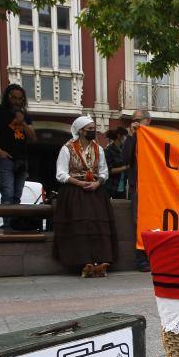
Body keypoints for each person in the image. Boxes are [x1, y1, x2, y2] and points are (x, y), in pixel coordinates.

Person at [53, 116, 117, 277]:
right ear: (80, 131)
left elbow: (104, 172)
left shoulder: (98, 149)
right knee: (79, 225)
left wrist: (98, 183)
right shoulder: (67, 148)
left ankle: (101, 261)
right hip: (75, 191)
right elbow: (60, 174)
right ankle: (83, 261)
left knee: (98, 225)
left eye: (93, 128)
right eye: (89, 129)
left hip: (95, 190)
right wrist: (80, 183)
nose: (92, 131)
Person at [0, 84, 37, 228]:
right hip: (5, 159)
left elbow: (33, 138)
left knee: (17, 195)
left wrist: (22, 122)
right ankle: (8, 226)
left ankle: (14, 225)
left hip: (22, 159)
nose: (17, 101)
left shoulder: (25, 115)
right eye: (14, 98)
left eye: (20, 98)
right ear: (7, 97)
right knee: (8, 194)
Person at [122, 109, 152, 271]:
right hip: (139, 188)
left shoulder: (155, 137)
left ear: (148, 121)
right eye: (133, 120)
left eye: (139, 120)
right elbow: (124, 159)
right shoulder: (132, 138)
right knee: (139, 222)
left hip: (156, 187)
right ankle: (142, 260)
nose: (135, 123)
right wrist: (131, 136)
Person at [104, 127, 129, 199]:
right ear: (119, 136)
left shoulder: (124, 149)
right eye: (125, 136)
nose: (126, 139)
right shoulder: (108, 150)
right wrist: (126, 167)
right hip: (110, 186)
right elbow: (109, 170)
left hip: (122, 186)